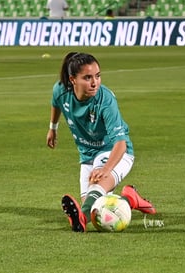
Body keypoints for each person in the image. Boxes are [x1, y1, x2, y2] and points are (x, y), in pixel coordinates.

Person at [46, 52, 156, 232]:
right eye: (87, 78)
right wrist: (53, 128)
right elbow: (55, 103)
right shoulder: (61, 90)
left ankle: (80, 217)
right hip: (87, 156)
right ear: (73, 79)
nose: (94, 82)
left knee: (95, 191)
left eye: (97, 76)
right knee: (96, 210)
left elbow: (120, 143)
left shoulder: (105, 100)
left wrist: (105, 170)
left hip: (115, 151)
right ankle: (130, 199)